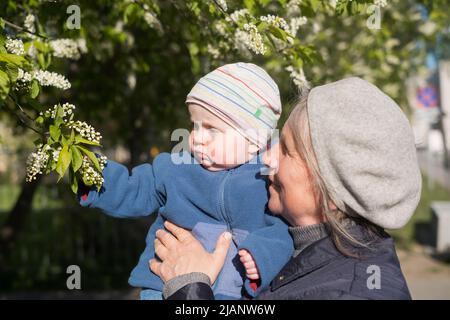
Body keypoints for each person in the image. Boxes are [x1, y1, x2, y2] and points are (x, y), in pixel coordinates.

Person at [150, 77, 422, 300]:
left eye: (288, 150)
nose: (267, 158)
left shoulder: (353, 293)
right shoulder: (295, 248)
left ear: (331, 192)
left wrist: (189, 290)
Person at [77, 62, 293, 300]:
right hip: (162, 284)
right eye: (193, 125)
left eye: (211, 129)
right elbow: (135, 187)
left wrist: (262, 256)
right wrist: (91, 172)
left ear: (254, 139)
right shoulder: (177, 168)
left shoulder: (268, 179)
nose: (196, 138)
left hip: (234, 292)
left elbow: (283, 230)